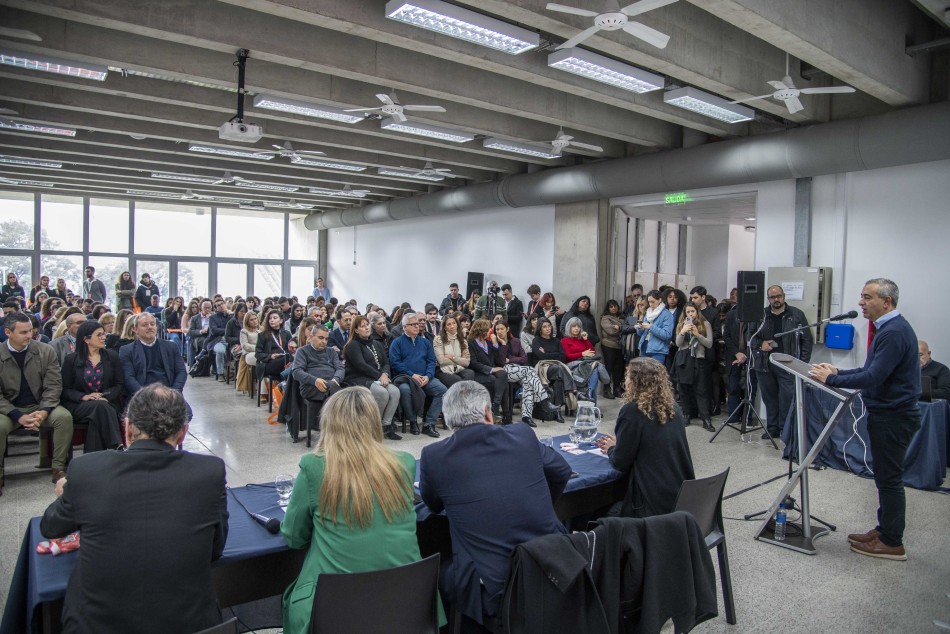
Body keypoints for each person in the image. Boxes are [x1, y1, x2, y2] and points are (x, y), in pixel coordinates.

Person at [40, 384, 228, 633]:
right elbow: (215, 550)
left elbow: (51, 526)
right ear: (183, 433)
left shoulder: (87, 470)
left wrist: (67, 493)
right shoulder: (210, 472)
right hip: (188, 624)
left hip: (95, 625)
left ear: (127, 428)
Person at [280, 387, 433, 633]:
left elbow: (294, 538)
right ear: (373, 422)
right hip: (406, 603)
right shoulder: (403, 463)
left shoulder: (313, 467)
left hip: (335, 609)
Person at [420, 381, 571, 627]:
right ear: (488, 412)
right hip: (554, 564)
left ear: (447, 420)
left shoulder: (433, 456)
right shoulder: (522, 433)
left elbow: (433, 506)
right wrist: (542, 502)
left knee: (437, 573)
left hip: (493, 583)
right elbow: (561, 471)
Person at [810, 279, 920, 561]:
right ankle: (884, 531)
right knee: (885, 477)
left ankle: (892, 542)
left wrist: (832, 379)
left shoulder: (894, 332)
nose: (860, 302)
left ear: (886, 301)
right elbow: (868, 369)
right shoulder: (888, 329)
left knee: (890, 479)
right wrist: (838, 372)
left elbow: (873, 378)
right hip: (888, 414)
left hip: (894, 417)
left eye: (867, 297)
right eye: (861, 297)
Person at [596, 358, 695, 518]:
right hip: (679, 497)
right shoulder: (673, 407)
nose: (625, 380)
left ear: (635, 382)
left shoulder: (632, 411)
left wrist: (612, 449)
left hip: (650, 505)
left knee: (593, 513)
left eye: (628, 376)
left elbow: (620, 462)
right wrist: (620, 444)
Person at [0, 313, 74, 490]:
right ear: (8, 332)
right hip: (9, 409)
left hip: (41, 406)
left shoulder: (45, 350)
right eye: (23, 332)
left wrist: (43, 411)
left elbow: (54, 385)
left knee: (64, 418)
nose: (29, 335)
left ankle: (58, 468)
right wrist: (18, 416)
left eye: (31, 331)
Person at [751, 285, 813, 440]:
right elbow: (750, 337)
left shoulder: (796, 315)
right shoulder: (761, 315)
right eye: (772, 297)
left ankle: (785, 429)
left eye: (779, 296)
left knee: (786, 398)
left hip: (787, 364)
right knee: (769, 397)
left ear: (784, 296)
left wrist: (801, 363)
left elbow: (807, 340)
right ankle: (772, 428)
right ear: (768, 299)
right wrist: (760, 344)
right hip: (765, 364)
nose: (776, 300)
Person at [60, 320, 125, 452]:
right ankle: (116, 444)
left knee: (97, 415)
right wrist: (84, 396)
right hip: (79, 404)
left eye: (104, 334)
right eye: (99, 335)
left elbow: (119, 384)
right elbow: (65, 389)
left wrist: (105, 396)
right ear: (86, 339)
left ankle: (93, 461)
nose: (103, 337)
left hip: (107, 402)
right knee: (100, 407)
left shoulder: (112, 357)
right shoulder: (71, 360)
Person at [343, 316, 402, 440]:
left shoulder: (376, 343)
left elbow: (386, 362)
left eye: (367, 324)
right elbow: (360, 365)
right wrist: (380, 376)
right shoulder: (353, 345)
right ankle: (373, 426)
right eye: (362, 326)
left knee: (395, 392)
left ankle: (386, 425)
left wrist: (385, 374)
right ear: (356, 330)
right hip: (358, 378)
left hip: (378, 378)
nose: (366, 327)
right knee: (382, 393)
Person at [493, 320, 561, 425]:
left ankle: (526, 416)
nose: (499, 331)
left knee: (528, 382)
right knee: (530, 371)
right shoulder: (495, 343)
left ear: (507, 329)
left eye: (502, 329)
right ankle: (544, 400)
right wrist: (503, 345)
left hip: (520, 370)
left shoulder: (515, 341)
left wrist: (510, 359)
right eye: (497, 329)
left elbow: (524, 358)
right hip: (504, 371)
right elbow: (501, 361)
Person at [389, 312, 445, 438]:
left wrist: (428, 376)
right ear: (404, 327)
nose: (417, 326)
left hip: (425, 378)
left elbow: (431, 361)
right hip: (406, 378)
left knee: (442, 390)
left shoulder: (425, 342)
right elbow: (395, 363)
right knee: (404, 390)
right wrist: (412, 375)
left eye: (418, 324)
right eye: (413, 324)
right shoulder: (397, 343)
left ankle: (429, 424)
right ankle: (413, 421)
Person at [292, 324, 343, 431]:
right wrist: (314, 381)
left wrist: (336, 379)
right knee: (337, 396)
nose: (324, 341)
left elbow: (340, 368)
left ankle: (328, 428)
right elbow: (296, 372)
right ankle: (334, 430)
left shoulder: (331, 351)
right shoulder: (302, 351)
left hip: (331, 384)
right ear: (311, 337)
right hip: (310, 386)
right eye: (321, 338)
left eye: (326, 339)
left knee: (334, 393)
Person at [673, 305, 715, 431]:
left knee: (700, 390)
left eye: (693, 311)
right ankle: (686, 415)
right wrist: (682, 332)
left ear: (697, 312)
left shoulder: (705, 324)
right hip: (684, 359)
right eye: (688, 312)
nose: (690, 314)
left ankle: (706, 419)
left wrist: (698, 335)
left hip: (698, 358)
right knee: (684, 389)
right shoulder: (682, 324)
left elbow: (709, 344)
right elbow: (678, 343)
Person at [561, 316, 610, 403]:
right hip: (572, 365)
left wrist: (586, 340)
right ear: (569, 327)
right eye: (574, 326)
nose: (576, 328)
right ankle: (592, 404)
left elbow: (593, 352)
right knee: (594, 368)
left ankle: (590, 393)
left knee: (593, 371)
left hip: (585, 365)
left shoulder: (582, 339)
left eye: (578, 326)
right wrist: (582, 354)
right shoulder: (565, 340)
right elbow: (567, 356)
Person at [433, 313, 474, 388]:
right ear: (444, 327)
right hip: (443, 370)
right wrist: (461, 358)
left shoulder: (463, 340)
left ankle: (463, 398)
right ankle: (463, 398)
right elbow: (441, 361)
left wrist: (453, 357)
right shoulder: (438, 339)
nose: (452, 326)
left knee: (470, 373)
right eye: (449, 324)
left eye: (454, 323)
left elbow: (467, 362)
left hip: (458, 368)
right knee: (457, 380)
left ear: (457, 324)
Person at [637, 290, 675, 364]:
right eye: (649, 302)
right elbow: (640, 334)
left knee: (655, 374)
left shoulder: (667, 314)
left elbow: (667, 334)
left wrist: (651, 327)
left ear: (660, 300)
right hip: (644, 346)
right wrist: (640, 328)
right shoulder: (648, 312)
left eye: (653, 302)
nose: (650, 304)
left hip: (658, 350)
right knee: (643, 374)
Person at [255, 309, 293, 384]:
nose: (272, 320)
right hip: (268, 364)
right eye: (270, 318)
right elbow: (258, 354)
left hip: (285, 361)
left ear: (281, 321)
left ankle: (285, 382)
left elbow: (291, 350)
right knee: (287, 360)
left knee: (293, 358)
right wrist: (270, 356)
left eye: (275, 318)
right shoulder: (262, 335)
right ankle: (284, 379)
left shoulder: (287, 334)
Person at [600, 299, 624, 399]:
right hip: (608, 345)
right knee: (608, 368)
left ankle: (617, 389)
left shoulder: (622, 317)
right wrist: (621, 328)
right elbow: (611, 331)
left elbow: (629, 328)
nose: (613, 308)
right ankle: (607, 389)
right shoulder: (605, 318)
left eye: (615, 306)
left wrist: (619, 327)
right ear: (608, 308)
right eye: (611, 306)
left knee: (618, 369)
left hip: (620, 346)